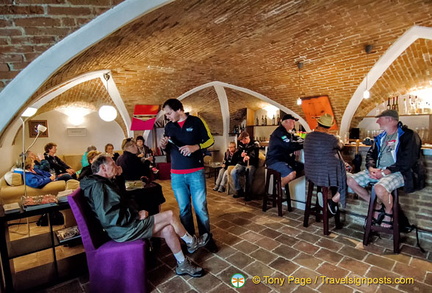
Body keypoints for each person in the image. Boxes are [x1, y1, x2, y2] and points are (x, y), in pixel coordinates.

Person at [80, 154, 206, 277]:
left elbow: (120, 200)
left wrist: (119, 175)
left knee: (168, 229)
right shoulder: (99, 186)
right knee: (170, 215)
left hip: (123, 226)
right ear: (103, 168)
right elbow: (108, 217)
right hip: (123, 229)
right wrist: (136, 215)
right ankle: (192, 242)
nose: (116, 165)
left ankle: (182, 264)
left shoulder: (102, 182)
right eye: (113, 164)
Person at [347, 110, 425, 228]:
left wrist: (385, 172)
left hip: (400, 172)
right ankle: (378, 208)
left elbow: (408, 160)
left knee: (379, 188)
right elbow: (370, 154)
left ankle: (389, 212)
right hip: (379, 170)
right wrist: (371, 168)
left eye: (380, 118)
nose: (377, 121)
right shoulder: (381, 137)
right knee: (351, 181)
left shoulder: (408, 135)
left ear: (389, 119)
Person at [160, 98, 217, 252]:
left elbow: (210, 140)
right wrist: (163, 146)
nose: (167, 116)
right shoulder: (169, 127)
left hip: (195, 172)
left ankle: (206, 238)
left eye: (169, 113)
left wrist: (195, 147)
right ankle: (191, 241)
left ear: (179, 109)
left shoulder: (196, 122)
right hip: (176, 174)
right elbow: (167, 150)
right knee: (184, 209)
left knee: (200, 208)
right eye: (166, 114)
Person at [304, 114, 351, 214]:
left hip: (311, 172)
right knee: (348, 176)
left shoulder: (308, 136)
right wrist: (339, 139)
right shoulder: (331, 138)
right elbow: (340, 146)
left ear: (318, 123)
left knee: (335, 170)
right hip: (326, 173)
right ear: (329, 127)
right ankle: (333, 201)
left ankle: (325, 194)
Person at [265, 114, 304, 197]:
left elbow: (296, 140)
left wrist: (297, 146)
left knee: (304, 168)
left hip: (284, 160)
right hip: (274, 161)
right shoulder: (280, 133)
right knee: (292, 174)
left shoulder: (287, 133)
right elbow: (289, 145)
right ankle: (279, 186)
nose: (294, 123)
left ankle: (283, 178)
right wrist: (299, 146)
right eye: (292, 122)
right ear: (286, 122)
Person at [231, 131, 259, 201]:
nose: (241, 142)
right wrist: (240, 155)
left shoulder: (255, 144)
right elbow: (236, 155)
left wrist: (248, 156)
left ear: (246, 138)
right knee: (233, 172)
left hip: (251, 163)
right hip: (241, 163)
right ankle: (239, 190)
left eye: (242, 140)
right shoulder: (241, 144)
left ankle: (247, 192)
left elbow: (255, 155)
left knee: (248, 172)